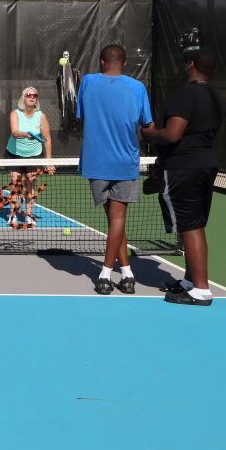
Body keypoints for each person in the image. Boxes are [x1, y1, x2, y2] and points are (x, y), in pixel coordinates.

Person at [142, 50, 225, 306]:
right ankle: (190, 282)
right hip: (206, 165)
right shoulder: (217, 97)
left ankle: (200, 290)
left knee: (190, 226)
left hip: (184, 169)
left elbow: (173, 134)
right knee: (195, 224)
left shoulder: (186, 94)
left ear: (191, 65)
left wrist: (150, 132)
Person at [75, 44, 154, 295]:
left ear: (101, 61)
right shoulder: (137, 88)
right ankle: (114, 273)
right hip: (124, 163)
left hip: (95, 163)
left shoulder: (87, 82)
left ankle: (117, 274)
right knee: (117, 220)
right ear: (125, 61)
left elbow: (81, 115)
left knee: (114, 220)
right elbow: (147, 124)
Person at [5, 86, 54, 226]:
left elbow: (48, 139)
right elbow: (14, 132)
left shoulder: (41, 116)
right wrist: (27, 134)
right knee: (15, 183)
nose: (32, 97)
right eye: (29, 95)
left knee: (30, 184)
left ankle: (29, 214)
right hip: (14, 153)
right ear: (23, 98)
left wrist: (49, 161)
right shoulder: (15, 113)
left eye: (35, 95)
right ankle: (13, 214)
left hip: (34, 155)